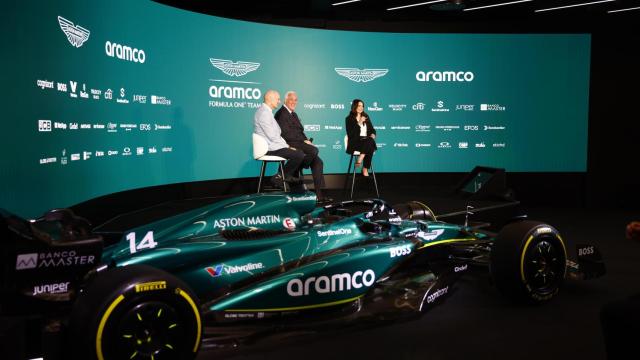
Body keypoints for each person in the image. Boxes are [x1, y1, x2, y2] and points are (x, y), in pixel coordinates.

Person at [275, 91, 332, 203]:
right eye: (291, 99)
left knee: (318, 162)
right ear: (285, 100)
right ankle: (286, 172)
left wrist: (306, 140)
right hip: (289, 144)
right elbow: (286, 134)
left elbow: (300, 131)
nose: (293, 102)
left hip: (299, 143)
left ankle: (318, 196)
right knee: (314, 150)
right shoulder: (281, 113)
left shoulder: (294, 114)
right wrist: (303, 141)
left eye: (295, 100)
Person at [254, 89, 304, 188]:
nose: (279, 101)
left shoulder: (267, 112)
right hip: (269, 148)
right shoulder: (264, 113)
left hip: (273, 146)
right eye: (277, 99)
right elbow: (272, 136)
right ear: (270, 99)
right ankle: (280, 177)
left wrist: (287, 146)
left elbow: (277, 135)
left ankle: (283, 176)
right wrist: (287, 147)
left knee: (299, 152)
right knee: (299, 154)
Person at [345, 99, 377, 176]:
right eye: (359, 105)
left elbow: (372, 129)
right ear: (354, 106)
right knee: (370, 145)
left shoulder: (366, 116)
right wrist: (359, 123)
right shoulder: (349, 119)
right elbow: (350, 134)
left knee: (370, 140)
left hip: (366, 140)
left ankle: (361, 157)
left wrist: (373, 134)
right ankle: (365, 168)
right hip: (355, 142)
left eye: (362, 106)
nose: (361, 107)